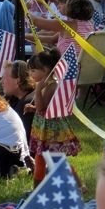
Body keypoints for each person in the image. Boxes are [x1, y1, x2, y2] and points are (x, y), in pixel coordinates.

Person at [28, 48, 80, 186]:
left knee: (57, 161)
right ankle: (37, 190)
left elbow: (42, 107)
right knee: (40, 160)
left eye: (33, 70)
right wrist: (32, 108)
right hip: (43, 129)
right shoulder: (46, 84)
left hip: (52, 132)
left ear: (45, 70)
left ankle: (79, 185)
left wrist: (38, 90)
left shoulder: (51, 86)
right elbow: (42, 109)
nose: (30, 73)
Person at [30, 0, 94, 57]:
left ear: (69, 5)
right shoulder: (88, 23)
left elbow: (35, 21)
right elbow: (52, 39)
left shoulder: (66, 25)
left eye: (61, 3)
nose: (58, 6)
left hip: (67, 64)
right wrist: (25, 36)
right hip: (78, 63)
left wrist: (23, 7)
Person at [1, 60, 36, 140]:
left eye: (5, 77)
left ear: (18, 80)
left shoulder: (28, 102)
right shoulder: (14, 98)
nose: (1, 81)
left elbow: (21, 138)